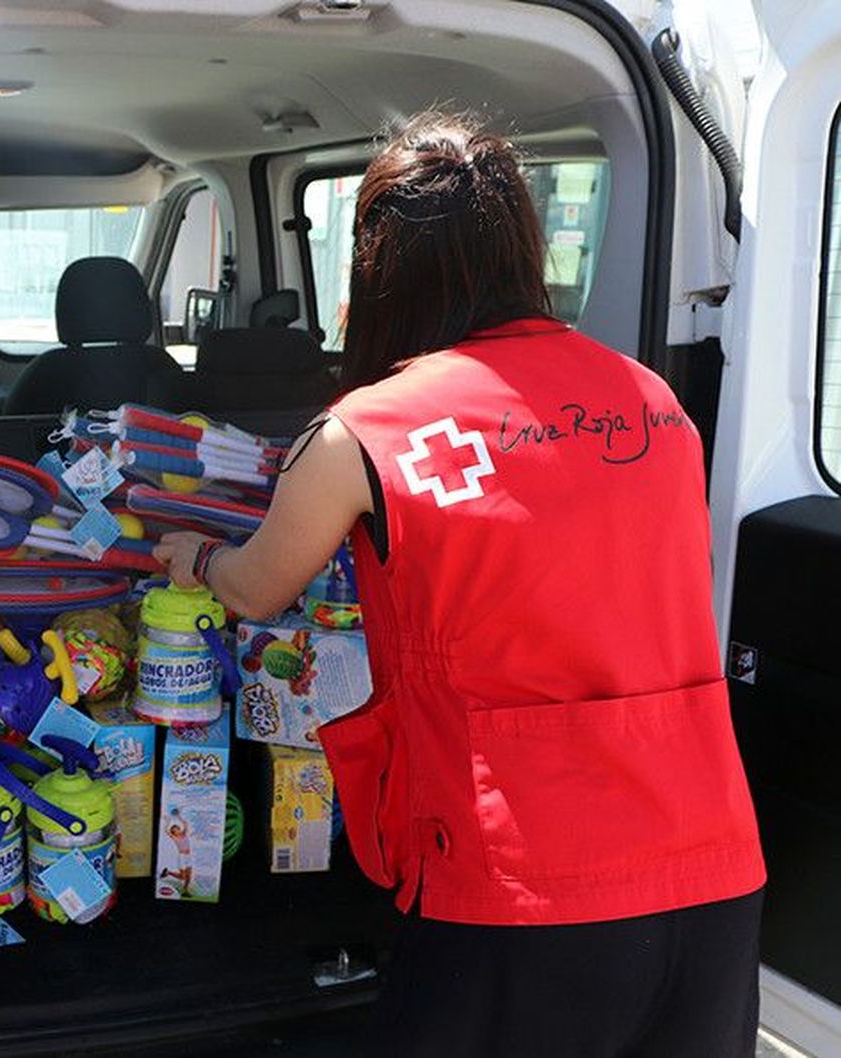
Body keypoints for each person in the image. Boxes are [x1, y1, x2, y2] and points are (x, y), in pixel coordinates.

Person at [153, 112, 765, 1057]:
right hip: (711, 864)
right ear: (522, 246)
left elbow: (257, 590)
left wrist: (195, 556)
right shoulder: (654, 403)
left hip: (520, 882)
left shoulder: (368, 431)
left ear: (378, 264)